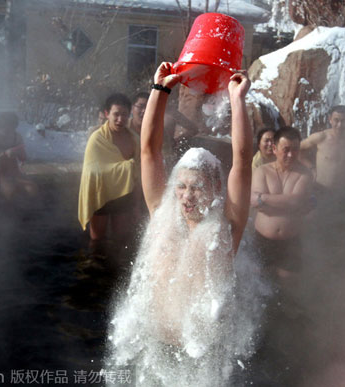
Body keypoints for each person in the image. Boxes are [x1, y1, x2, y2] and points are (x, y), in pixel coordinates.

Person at [107, 63, 253, 385]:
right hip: (156, 348)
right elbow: (149, 151)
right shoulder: (162, 213)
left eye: (197, 187)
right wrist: (160, 91)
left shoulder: (225, 229)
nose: (187, 196)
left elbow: (242, 160)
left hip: (200, 355)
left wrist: (237, 99)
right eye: (182, 186)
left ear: (215, 190)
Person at [251, 127, 313, 278]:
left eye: (295, 149)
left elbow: (297, 202)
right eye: (286, 149)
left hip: (290, 242)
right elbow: (254, 202)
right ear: (274, 148)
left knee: (289, 284)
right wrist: (289, 203)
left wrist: (265, 198)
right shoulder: (262, 171)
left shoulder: (305, 174)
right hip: (262, 240)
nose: (291, 154)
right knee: (260, 283)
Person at [78, 93, 138, 245]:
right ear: (107, 114)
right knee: (97, 240)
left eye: (124, 114)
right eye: (116, 114)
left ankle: (116, 266)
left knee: (121, 238)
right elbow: (92, 171)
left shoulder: (133, 138)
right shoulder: (98, 138)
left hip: (124, 192)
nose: (120, 119)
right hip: (101, 193)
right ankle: (96, 266)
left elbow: (140, 166)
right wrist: (128, 166)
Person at [300, 105, 345, 191]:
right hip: (322, 189)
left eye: (343, 121)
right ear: (330, 120)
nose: (340, 125)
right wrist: (311, 167)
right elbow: (297, 149)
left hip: (344, 191)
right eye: (336, 120)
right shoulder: (321, 137)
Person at [0, 111, 38, 204]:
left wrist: (18, 152)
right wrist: (3, 153)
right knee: (10, 191)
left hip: (14, 172)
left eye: (12, 127)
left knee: (32, 188)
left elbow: (23, 158)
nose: (9, 130)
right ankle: (7, 214)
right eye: (6, 127)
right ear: (0, 126)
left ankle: (29, 212)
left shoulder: (16, 137)